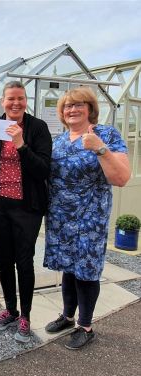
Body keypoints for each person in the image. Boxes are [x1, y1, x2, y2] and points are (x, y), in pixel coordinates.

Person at [43, 87, 130, 349]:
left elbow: (122, 178)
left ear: (90, 108)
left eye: (79, 104)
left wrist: (100, 149)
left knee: (87, 272)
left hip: (89, 219)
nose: (72, 110)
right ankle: (68, 316)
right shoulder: (58, 141)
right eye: (68, 106)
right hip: (60, 217)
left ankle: (86, 325)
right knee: (69, 268)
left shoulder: (106, 135)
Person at [0, 81, 52, 343]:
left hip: (27, 206)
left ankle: (26, 316)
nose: (16, 103)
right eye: (11, 99)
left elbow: (44, 168)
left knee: (23, 261)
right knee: (4, 258)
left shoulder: (38, 127)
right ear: (3, 101)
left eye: (20, 98)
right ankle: (10, 309)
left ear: (26, 101)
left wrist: (21, 145)